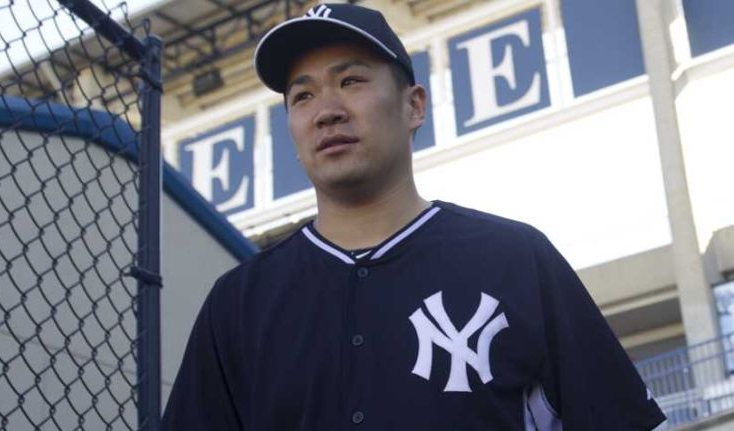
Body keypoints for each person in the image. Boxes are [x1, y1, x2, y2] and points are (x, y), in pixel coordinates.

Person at [161, 3, 667, 430]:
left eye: (351, 80)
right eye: (303, 95)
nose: (326, 111)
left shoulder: (515, 260)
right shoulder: (239, 304)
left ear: (415, 106)